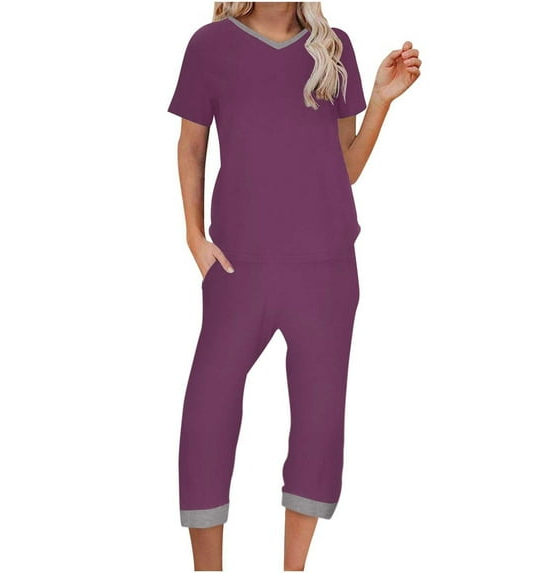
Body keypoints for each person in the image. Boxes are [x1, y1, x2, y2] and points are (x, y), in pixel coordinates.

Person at [167, 2, 421, 570]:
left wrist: (381, 99)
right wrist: (194, 235)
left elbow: (345, 167)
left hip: (326, 266)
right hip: (239, 264)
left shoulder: (334, 47)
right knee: (208, 410)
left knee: (319, 419)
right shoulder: (211, 45)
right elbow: (191, 145)